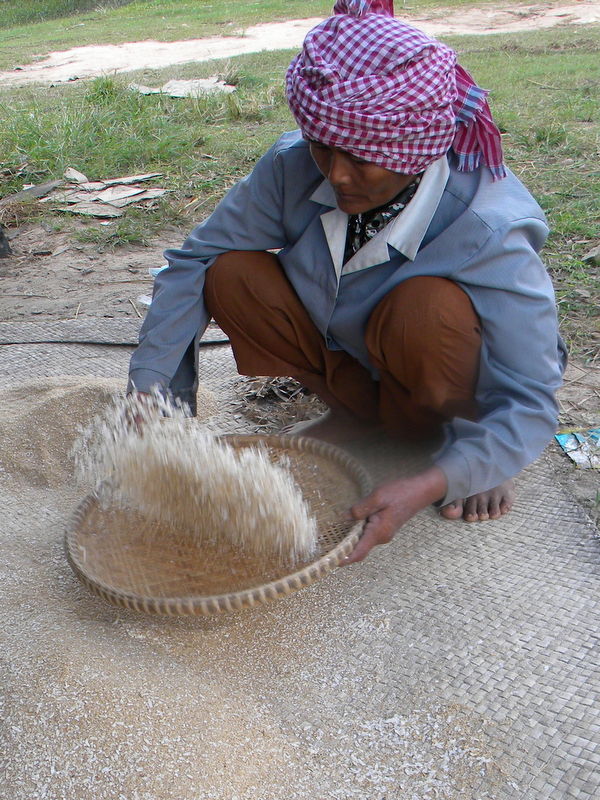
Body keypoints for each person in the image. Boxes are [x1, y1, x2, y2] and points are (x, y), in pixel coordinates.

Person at [128, 0, 566, 564]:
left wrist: (432, 484)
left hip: (443, 374)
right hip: (355, 357)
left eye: (361, 158)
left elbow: (530, 395)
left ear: (415, 152)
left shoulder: (488, 224)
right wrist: (151, 391)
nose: (336, 174)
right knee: (230, 271)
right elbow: (192, 261)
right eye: (323, 146)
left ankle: (467, 450)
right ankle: (358, 412)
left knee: (426, 307)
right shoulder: (293, 167)